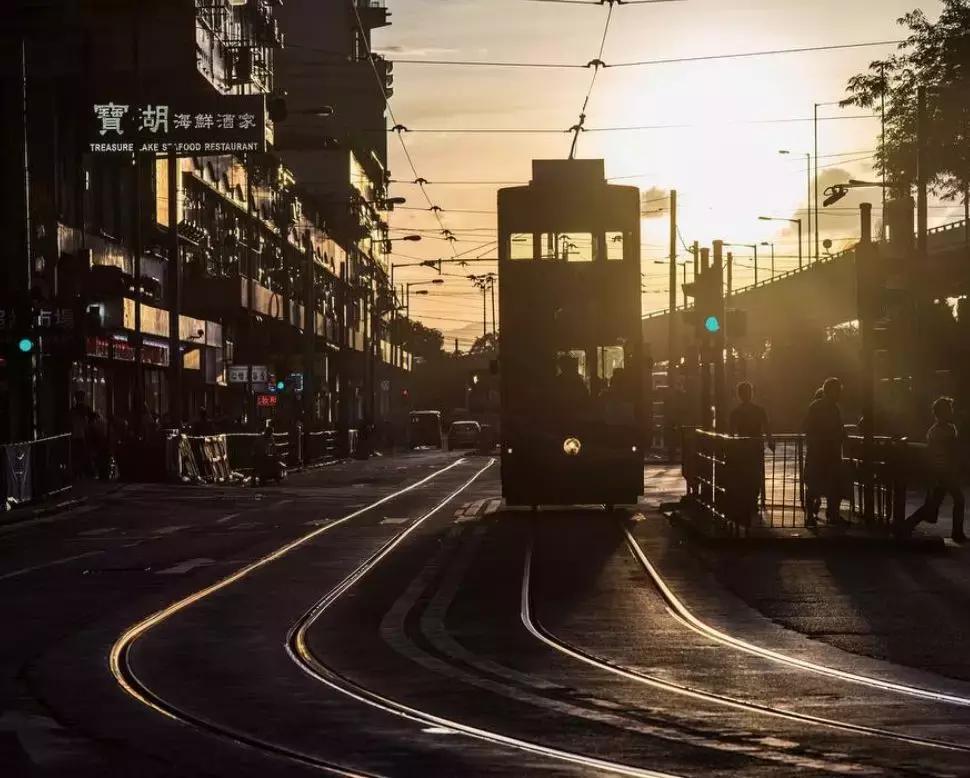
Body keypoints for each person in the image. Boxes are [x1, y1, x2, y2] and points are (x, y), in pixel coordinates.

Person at [903, 397, 965, 542]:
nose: (951, 412)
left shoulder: (935, 430)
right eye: (949, 409)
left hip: (940, 472)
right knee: (959, 500)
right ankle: (957, 533)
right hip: (944, 472)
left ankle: (907, 525)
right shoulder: (946, 430)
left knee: (932, 505)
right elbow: (953, 451)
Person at [803, 377, 846, 527]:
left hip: (827, 453)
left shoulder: (832, 408)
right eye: (837, 391)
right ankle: (814, 515)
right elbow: (810, 429)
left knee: (831, 485)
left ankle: (830, 514)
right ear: (830, 391)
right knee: (817, 486)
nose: (839, 394)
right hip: (820, 452)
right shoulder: (819, 407)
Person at [729, 382, 773, 521]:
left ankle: (747, 501)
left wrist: (731, 446)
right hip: (756, 446)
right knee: (756, 474)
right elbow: (766, 427)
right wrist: (770, 441)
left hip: (743, 448)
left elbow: (731, 432)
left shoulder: (736, 412)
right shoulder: (759, 410)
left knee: (744, 475)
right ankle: (753, 500)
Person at [70, 391, 92, 477]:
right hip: (81, 436)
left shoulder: (74, 411)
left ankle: (79, 472)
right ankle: (82, 472)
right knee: (82, 454)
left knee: (78, 455)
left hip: (78, 436)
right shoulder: (85, 410)